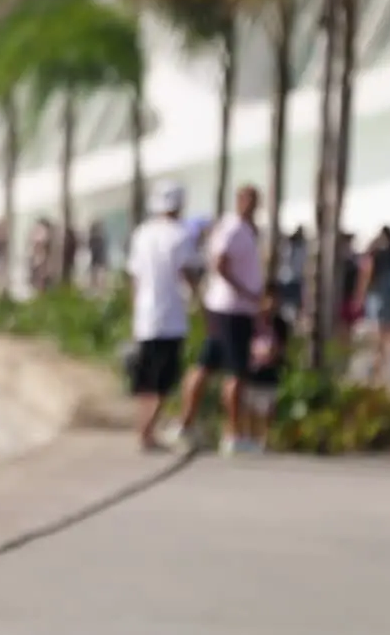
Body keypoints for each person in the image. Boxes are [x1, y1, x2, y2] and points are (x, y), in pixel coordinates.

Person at [174, 184, 264, 454]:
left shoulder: (243, 228)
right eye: (249, 200)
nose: (252, 205)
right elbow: (220, 264)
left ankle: (186, 423)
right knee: (236, 372)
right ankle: (234, 434)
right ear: (240, 201)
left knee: (207, 364)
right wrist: (248, 293)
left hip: (228, 308)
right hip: (233, 309)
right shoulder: (233, 228)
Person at [124, 184, 201, 452]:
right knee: (162, 379)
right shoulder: (180, 235)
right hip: (171, 317)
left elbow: (134, 277)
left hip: (145, 316)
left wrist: (134, 309)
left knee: (145, 379)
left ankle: (143, 429)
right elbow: (187, 273)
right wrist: (198, 299)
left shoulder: (142, 234)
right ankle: (147, 432)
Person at [355, 226, 390, 385]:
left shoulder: (377, 251)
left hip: (379, 295)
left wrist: (360, 296)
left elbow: (367, 273)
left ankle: (377, 368)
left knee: (380, 334)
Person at [244, 282, 290, 450]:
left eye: (275, 299)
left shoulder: (280, 324)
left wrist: (274, 354)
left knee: (268, 406)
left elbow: (283, 346)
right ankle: (248, 437)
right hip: (251, 370)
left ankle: (265, 439)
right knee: (249, 406)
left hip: (270, 370)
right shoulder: (251, 322)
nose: (271, 303)